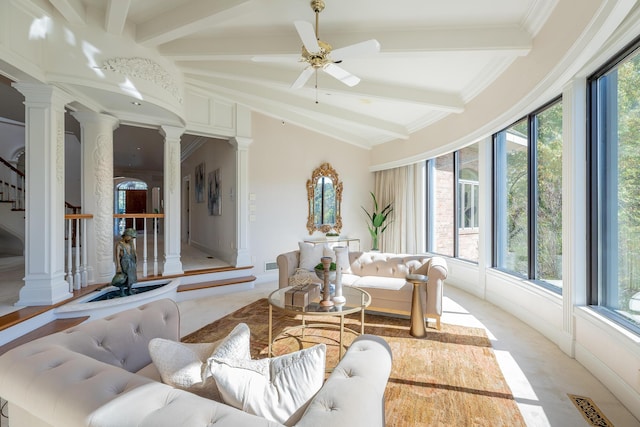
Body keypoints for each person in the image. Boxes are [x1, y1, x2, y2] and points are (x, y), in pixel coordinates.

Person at [114, 228, 137, 295]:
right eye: (131, 237)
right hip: (124, 262)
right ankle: (122, 292)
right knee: (123, 277)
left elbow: (133, 252)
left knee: (131, 277)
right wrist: (118, 265)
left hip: (131, 262)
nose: (132, 239)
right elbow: (117, 256)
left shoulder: (130, 244)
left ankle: (130, 289)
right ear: (126, 236)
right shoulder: (119, 244)